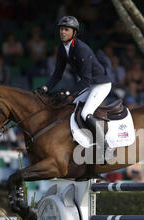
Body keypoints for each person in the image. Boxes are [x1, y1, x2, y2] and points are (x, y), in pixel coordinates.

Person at [36, 16, 112, 162]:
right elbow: (57, 74)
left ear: (74, 32)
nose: (62, 32)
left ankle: (105, 147)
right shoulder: (62, 48)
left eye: (66, 29)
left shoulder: (81, 49)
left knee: (85, 113)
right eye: (61, 29)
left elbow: (86, 79)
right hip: (90, 84)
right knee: (70, 108)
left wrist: (69, 92)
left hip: (101, 84)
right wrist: (45, 88)